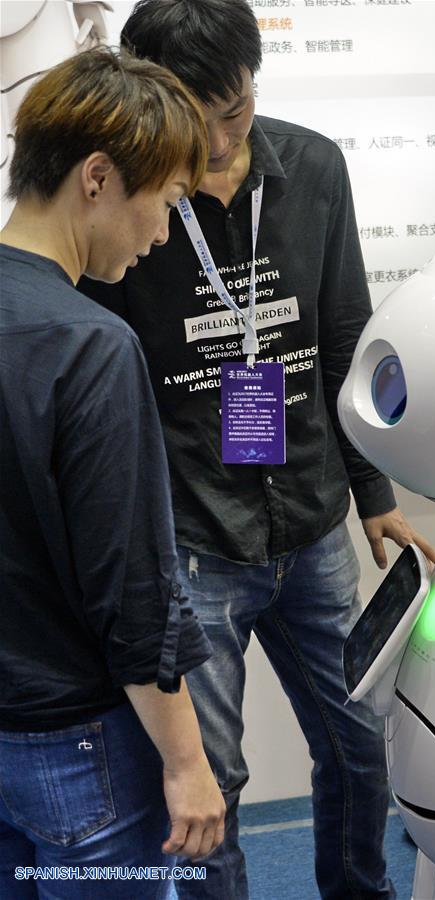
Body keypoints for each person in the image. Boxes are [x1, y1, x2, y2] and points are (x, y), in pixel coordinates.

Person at [80, 3, 435, 898]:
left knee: (360, 744)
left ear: (254, 81)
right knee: (215, 785)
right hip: (190, 541)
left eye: (232, 111)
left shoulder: (312, 166)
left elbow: (347, 330)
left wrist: (374, 492)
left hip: (313, 521)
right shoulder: (124, 195)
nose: (211, 141)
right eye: (186, 117)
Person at [0, 47, 227, 900]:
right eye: (164, 203)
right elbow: (131, 590)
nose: (163, 235)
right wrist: (187, 763)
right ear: (97, 177)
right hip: (79, 748)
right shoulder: (88, 343)